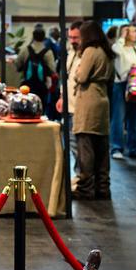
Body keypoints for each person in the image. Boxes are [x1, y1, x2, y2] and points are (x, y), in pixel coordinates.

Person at [72, 21, 115, 201]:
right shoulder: (107, 51)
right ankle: (102, 187)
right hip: (103, 99)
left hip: (88, 100)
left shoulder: (90, 51)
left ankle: (85, 188)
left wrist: (76, 72)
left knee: (86, 146)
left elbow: (81, 77)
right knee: (102, 147)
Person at [110, 24, 136, 160]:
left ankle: (134, 147)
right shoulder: (118, 48)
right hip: (120, 86)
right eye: (132, 31)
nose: (135, 33)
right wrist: (121, 37)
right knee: (118, 117)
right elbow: (117, 51)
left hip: (135, 85)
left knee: (134, 118)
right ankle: (116, 148)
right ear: (125, 32)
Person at [56, 20, 83, 174]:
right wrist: (61, 97)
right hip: (69, 105)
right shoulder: (71, 53)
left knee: (78, 146)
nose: (72, 40)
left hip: (79, 107)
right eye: (70, 37)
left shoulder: (86, 54)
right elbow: (66, 79)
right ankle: (79, 176)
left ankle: (81, 177)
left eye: (76, 37)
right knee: (72, 144)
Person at [15, 26, 56, 102]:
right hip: (42, 87)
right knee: (40, 106)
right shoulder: (48, 52)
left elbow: (17, 65)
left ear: (33, 36)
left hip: (26, 85)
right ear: (44, 37)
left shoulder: (25, 50)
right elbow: (52, 69)